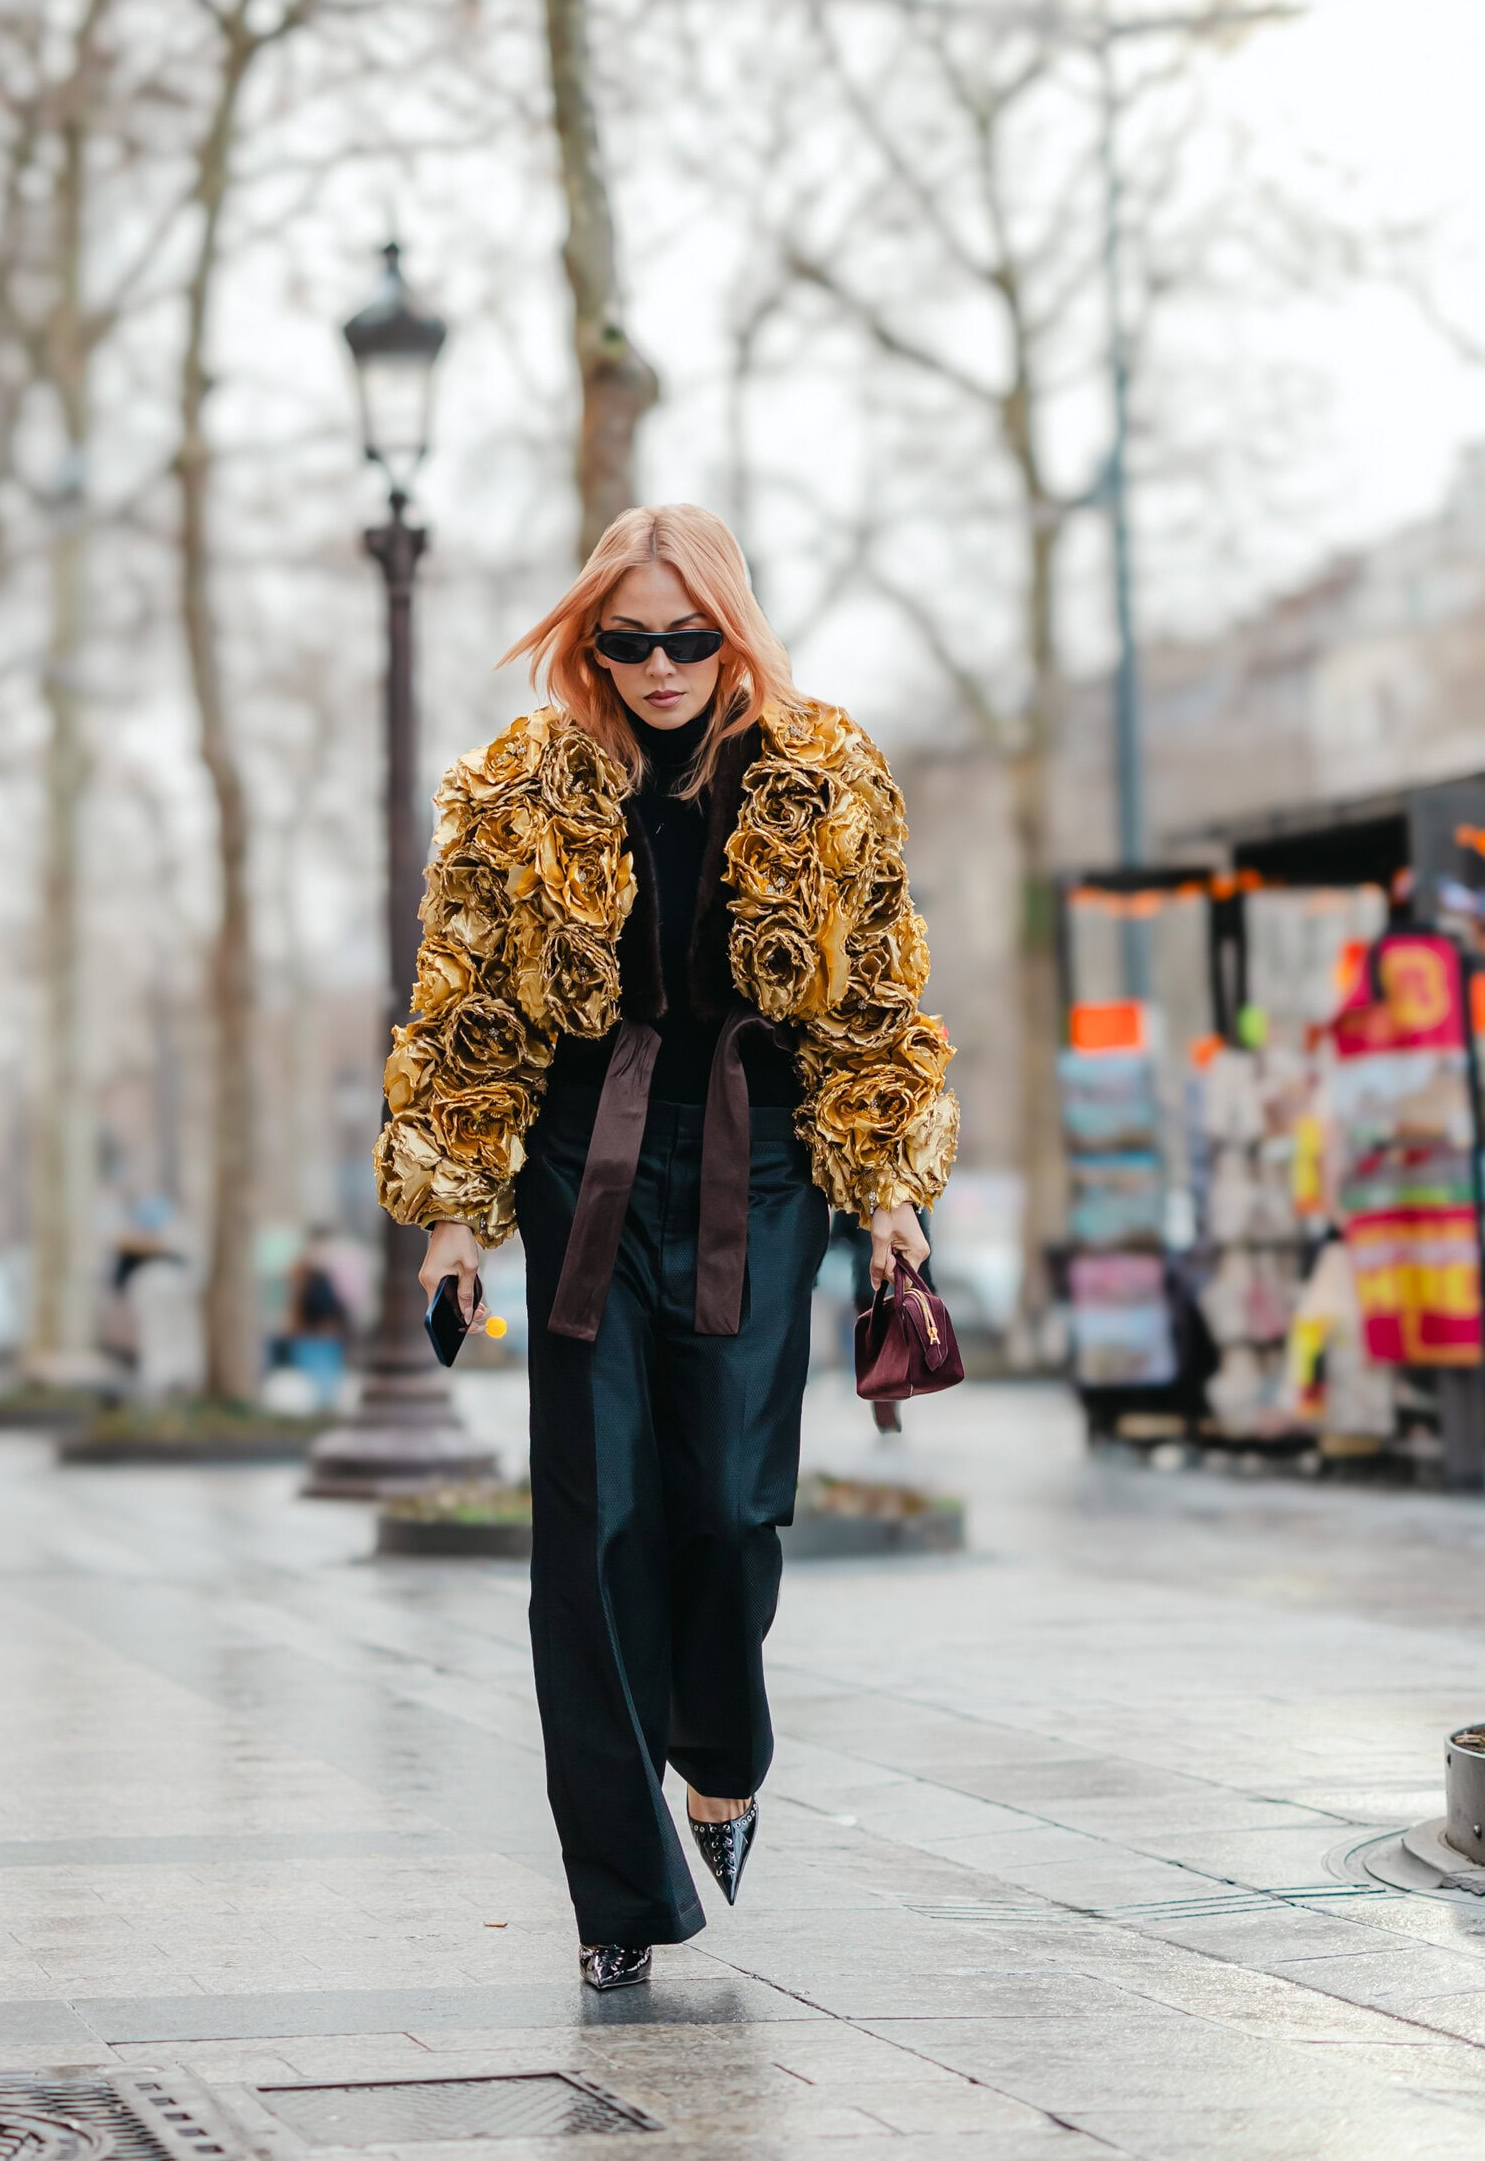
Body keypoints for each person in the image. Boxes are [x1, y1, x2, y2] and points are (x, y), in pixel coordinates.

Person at [373, 504, 958, 1992]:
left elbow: (875, 999)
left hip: (761, 1165)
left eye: (688, 638)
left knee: (731, 1504)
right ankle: (619, 1898)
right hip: (585, 1163)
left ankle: (725, 1755)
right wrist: (454, 1213)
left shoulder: (825, 773)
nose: (659, 666)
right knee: (593, 1521)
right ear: (591, 641)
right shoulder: (515, 788)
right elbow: (464, 1008)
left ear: (733, 631)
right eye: (627, 640)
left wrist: (888, 1192)